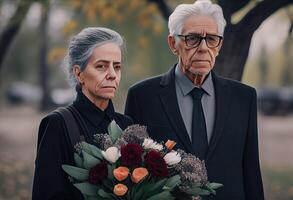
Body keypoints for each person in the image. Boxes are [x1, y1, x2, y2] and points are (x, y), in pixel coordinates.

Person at [125, 0, 264, 199]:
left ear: (220, 45)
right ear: (173, 43)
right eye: (192, 38)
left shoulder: (244, 98)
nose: (203, 48)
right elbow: (132, 173)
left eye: (212, 39)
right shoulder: (142, 96)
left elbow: (251, 173)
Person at [32, 27, 133, 200]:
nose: (112, 75)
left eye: (117, 67)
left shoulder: (126, 124)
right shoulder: (58, 124)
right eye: (101, 66)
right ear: (79, 74)